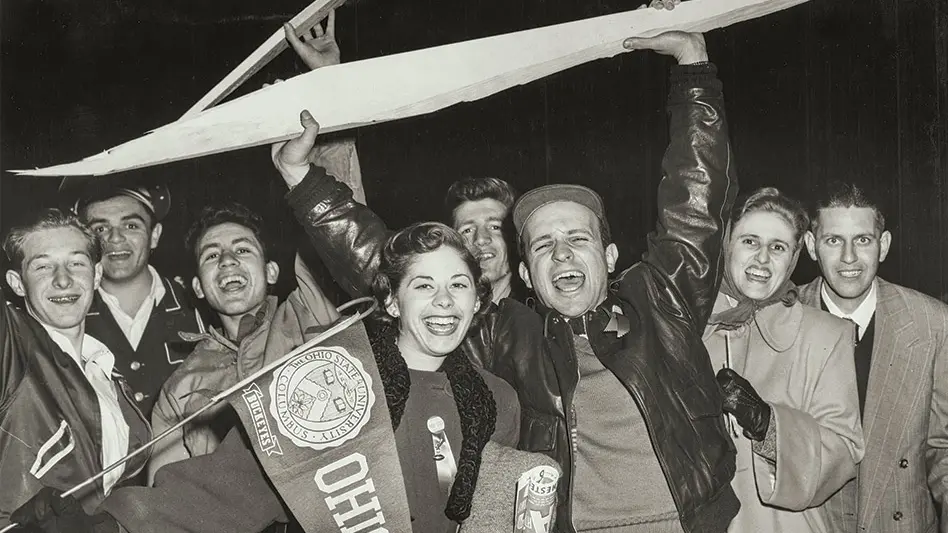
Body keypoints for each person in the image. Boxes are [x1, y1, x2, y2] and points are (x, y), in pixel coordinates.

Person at [270, 28, 740, 533]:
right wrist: (305, 183)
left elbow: (697, 206)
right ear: (525, 276)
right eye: (542, 246)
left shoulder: (662, 299)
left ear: (609, 254)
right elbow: (399, 275)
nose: (561, 252)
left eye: (577, 239)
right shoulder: (507, 335)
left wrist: (693, 66)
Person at [11, 222, 553, 533]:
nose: (443, 301)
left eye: (458, 285)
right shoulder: (336, 377)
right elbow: (224, 492)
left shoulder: (495, 400)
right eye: (423, 286)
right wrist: (104, 527)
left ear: (479, 299)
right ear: (389, 298)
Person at [702, 187, 864, 531]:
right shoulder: (688, 330)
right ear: (726, 245)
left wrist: (767, 424)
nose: (762, 259)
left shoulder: (825, 334)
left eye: (777, 247)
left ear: (793, 257)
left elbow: (845, 449)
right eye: (749, 241)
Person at [145, 203, 339, 484]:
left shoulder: (310, 313)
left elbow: (337, 239)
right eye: (211, 255)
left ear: (271, 272)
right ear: (198, 287)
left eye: (243, 250)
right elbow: (166, 494)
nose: (226, 260)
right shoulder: (180, 388)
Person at [799, 182, 948, 533]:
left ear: (883, 246)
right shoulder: (780, 317)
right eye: (834, 240)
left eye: (863, 240)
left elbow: (943, 448)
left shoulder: (932, 323)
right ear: (810, 245)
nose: (849, 257)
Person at [1, 209, 150, 528]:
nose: (63, 279)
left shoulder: (108, 375)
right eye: (42, 266)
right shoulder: (11, 344)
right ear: (17, 282)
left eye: (76, 263)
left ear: (96, 275)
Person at [61, 179, 207, 417]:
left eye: (131, 226)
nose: (115, 238)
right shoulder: (66, 317)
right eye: (100, 229)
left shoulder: (201, 307)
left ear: (155, 235)